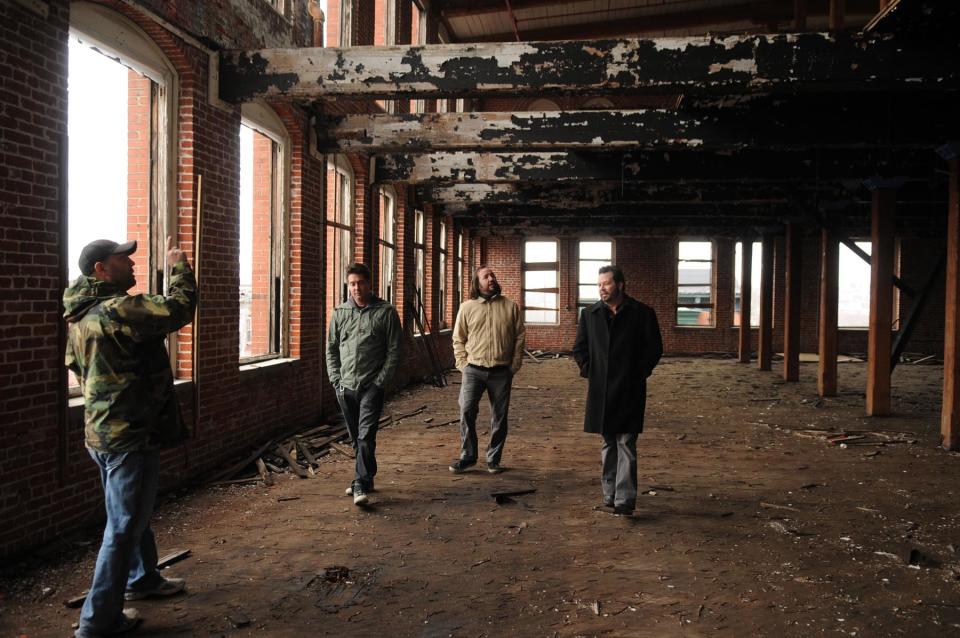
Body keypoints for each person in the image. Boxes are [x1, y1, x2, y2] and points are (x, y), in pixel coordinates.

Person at [64, 237, 197, 637]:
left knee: (130, 514)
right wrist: (178, 267)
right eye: (124, 259)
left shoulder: (80, 317)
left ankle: (143, 579)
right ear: (101, 269)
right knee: (123, 526)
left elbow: (76, 368)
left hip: (101, 435)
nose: (133, 264)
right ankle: (97, 621)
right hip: (129, 436)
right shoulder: (116, 309)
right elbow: (178, 309)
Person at [572, 265, 663, 516]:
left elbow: (654, 349)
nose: (601, 288)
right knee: (608, 442)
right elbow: (579, 349)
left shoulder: (642, 313)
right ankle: (609, 493)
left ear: (620, 285)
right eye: (599, 284)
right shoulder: (590, 314)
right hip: (601, 389)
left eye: (607, 283)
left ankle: (625, 498)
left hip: (630, 388)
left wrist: (638, 373)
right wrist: (592, 371)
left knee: (626, 442)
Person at [326, 263, 402, 506]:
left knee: (366, 435)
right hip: (345, 386)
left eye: (361, 283)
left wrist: (380, 383)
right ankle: (367, 476)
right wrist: (336, 380)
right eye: (352, 284)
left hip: (371, 385)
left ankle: (359, 483)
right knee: (355, 437)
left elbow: (394, 350)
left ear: (370, 284)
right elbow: (331, 349)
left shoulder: (386, 312)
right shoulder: (340, 313)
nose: (356, 288)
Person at [449, 265, 525, 474]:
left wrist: (514, 364)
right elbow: (458, 339)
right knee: (466, 411)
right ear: (477, 283)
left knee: (499, 416)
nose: (491, 278)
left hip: (501, 371)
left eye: (492, 275)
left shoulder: (510, 306)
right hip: (473, 369)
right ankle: (468, 456)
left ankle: (493, 459)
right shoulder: (467, 307)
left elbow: (519, 336)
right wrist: (463, 365)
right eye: (486, 276)